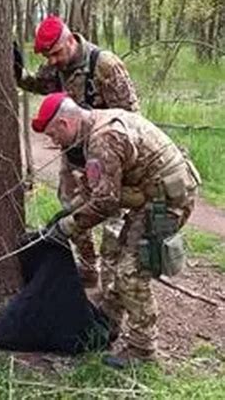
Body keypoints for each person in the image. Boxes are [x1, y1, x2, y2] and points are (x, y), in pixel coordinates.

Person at [31, 92, 200, 366]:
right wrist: (70, 210)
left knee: (131, 272)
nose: (54, 142)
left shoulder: (102, 139)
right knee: (120, 256)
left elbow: (106, 203)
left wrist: (67, 226)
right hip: (150, 196)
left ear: (64, 123)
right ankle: (107, 323)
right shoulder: (94, 128)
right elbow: (97, 188)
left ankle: (143, 350)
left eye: (53, 135)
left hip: (168, 200)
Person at [15, 15, 140, 288]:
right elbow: (40, 84)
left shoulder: (105, 66)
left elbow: (131, 119)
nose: (52, 61)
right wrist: (19, 74)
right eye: (48, 56)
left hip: (108, 158)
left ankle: (111, 289)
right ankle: (88, 267)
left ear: (70, 39)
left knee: (111, 219)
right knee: (73, 212)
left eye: (56, 53)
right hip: (73, 157)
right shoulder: (55, 67)